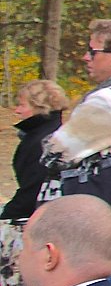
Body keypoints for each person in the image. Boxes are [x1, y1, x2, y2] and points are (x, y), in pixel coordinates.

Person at [41, 22, 111, 220]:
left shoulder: (105, 101)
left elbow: (55, 153)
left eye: (93, 51)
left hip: (89, 207)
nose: (86, 57)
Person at [3, 81, 68, 221]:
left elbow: (32, 191)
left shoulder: (42, 142)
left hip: (45, 217)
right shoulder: (55, 132)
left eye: (22, 105)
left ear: (40, 108)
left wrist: (5, 216)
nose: (17, 110)